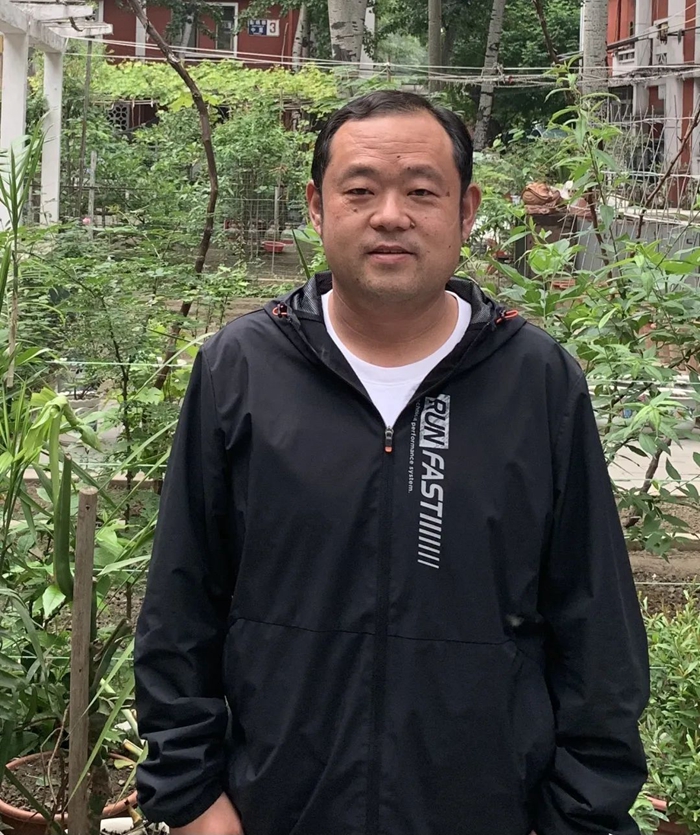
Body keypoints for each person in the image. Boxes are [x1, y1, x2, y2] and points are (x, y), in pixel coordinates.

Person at [134, 91, 649, 835]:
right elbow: (181, 603)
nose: (390, 216)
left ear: (466, 210)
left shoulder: (535, 380)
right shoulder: (240, 369)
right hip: (275, 808)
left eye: (421, 192)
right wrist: (189, 797)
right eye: (361, 190)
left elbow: (598, 626)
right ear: (317, 207)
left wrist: (579, 814)